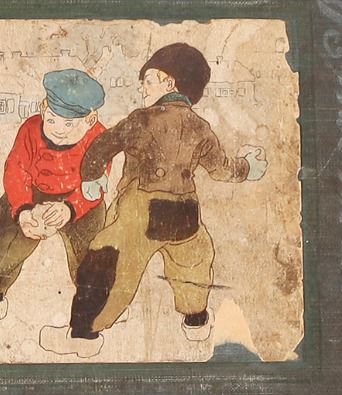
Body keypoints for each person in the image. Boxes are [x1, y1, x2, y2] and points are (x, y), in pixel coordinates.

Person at [40, 42, 266, 356]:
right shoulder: (200, 127)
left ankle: (82, 335)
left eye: (148, 80)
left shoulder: (141, 119)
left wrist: (92, 176)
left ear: (169, 83)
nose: (142, 87)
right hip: (186, 211)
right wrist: (248, 168)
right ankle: (196, 320)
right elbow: (222, 168)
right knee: (193, 262)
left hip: (141, 210)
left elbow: (103, 145)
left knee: (109, 262)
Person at [0, 69, 109, 325]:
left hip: (79, 199)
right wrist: (23, 210)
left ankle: (97, 303)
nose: (59, 130)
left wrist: (70, 209)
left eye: (69, 124)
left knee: (93, 245)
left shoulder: (99, 138)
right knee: (4, 233)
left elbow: (95, 184)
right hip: (33, 193)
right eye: (52, 119)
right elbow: (16, 169)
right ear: (43, 109)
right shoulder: (30, 129)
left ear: (90, 120)